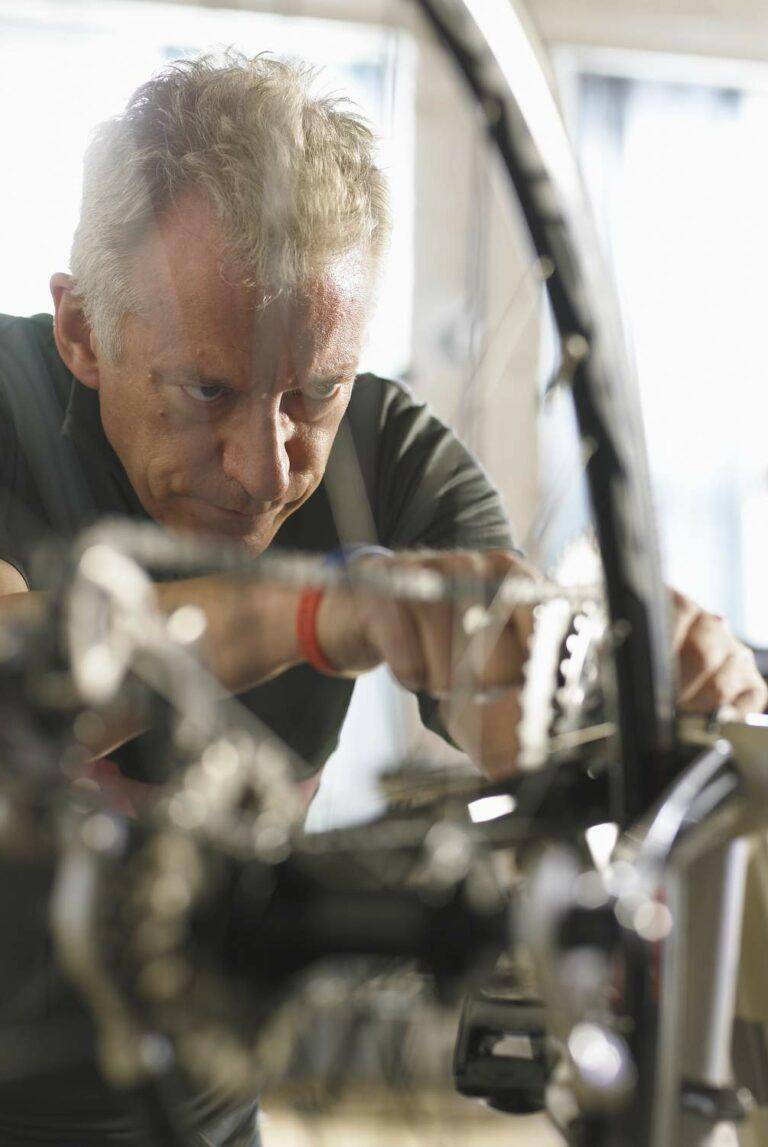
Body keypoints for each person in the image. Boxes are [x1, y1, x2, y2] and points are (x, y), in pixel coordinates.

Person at [0, 53, 763, 1146]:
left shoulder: (390, 457)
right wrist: (320, 612)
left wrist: (631, 685)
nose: (267, 469)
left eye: (313, 391)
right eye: (208, 390)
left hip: (207, 1119)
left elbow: (508, 683)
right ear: (82, 330)